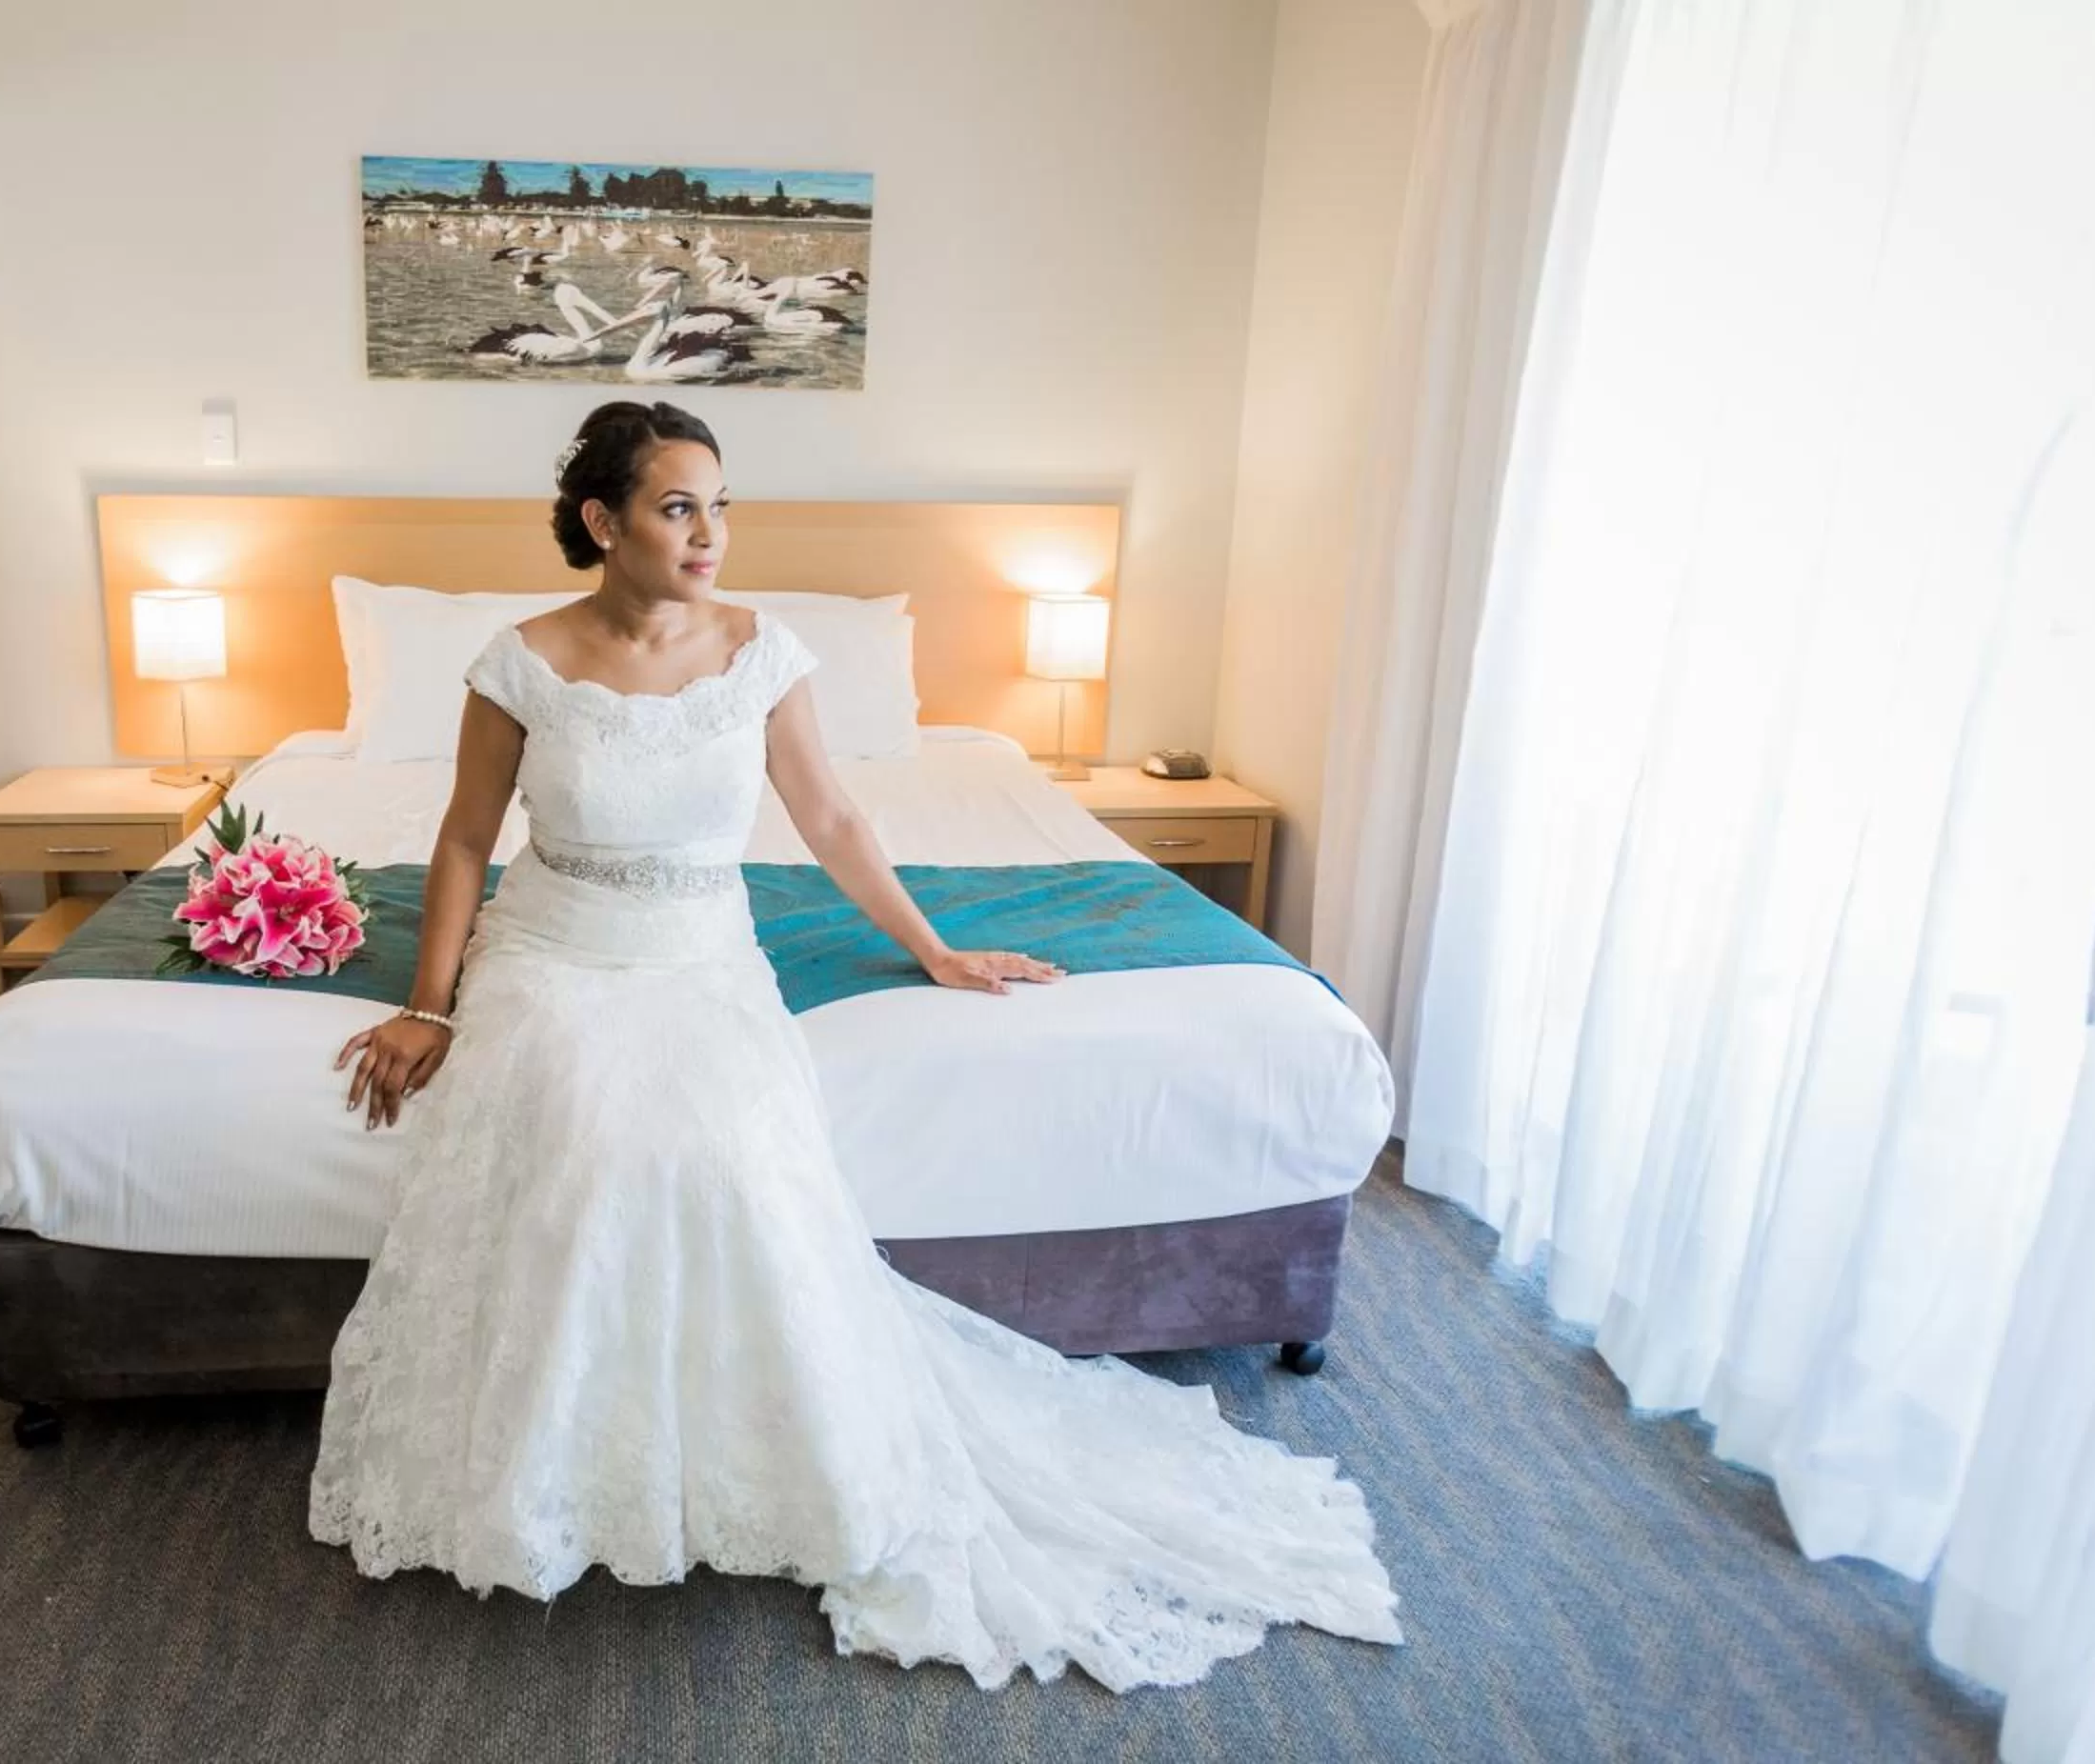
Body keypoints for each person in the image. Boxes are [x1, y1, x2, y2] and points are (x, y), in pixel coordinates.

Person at [307, 400, 1401, 1691]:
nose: (710, 534)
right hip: (553, 951)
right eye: (676, 508)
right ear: (603, 523)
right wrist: (433, 1004)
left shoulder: (765, 652)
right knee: (593, 1137)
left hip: (702, 957)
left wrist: (935, 950)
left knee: (728, 1156)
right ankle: (561, 1471)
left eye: (719, 505)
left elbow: (828, 815)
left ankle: (742, 1451)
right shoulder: (520, 660)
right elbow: (462, 840)